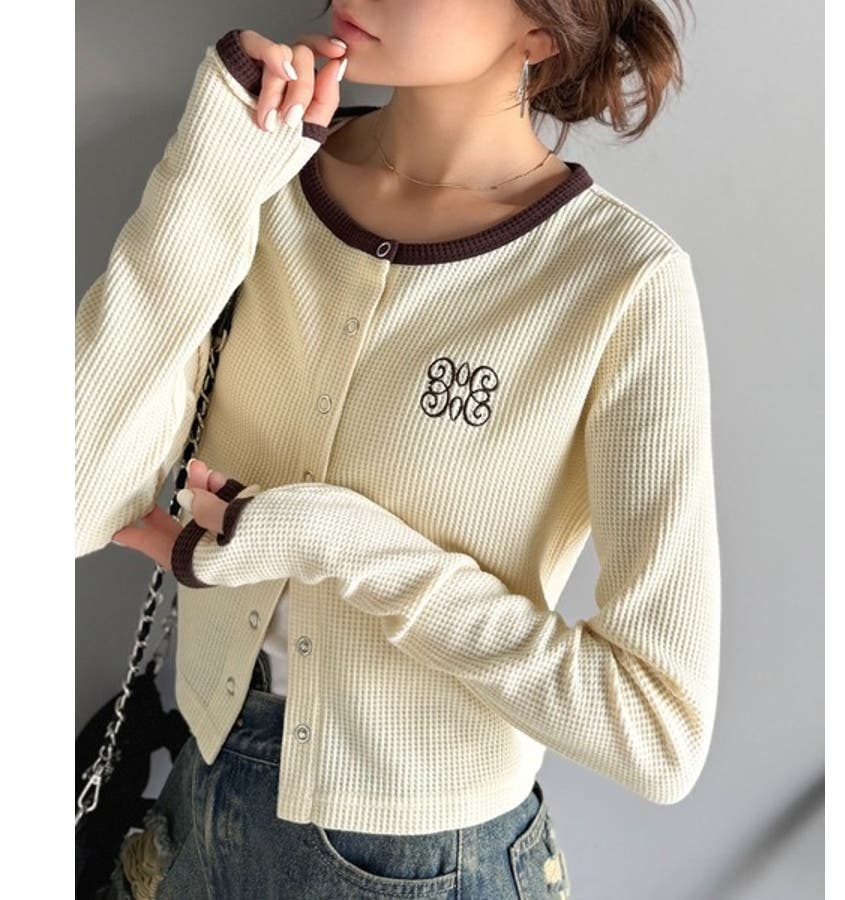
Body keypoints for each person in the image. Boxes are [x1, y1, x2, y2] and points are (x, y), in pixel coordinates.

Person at [76, 1, 718, 897]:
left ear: (541, 31)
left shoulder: (619, 279)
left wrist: (340, 545)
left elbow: (659, 734)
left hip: (427, 864)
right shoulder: (266, 168)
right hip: (194, 805)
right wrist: (209, 170)